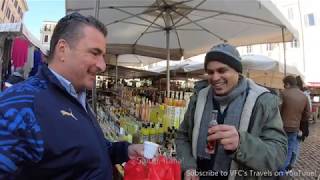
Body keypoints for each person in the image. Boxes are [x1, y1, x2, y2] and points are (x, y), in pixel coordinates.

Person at [0, 13, 144, 179]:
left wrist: (124, 151)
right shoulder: (22, 103)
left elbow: (86, 150)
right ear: (63, 49)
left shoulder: (78, 95)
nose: (102, 65)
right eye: (94, 53)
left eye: (102, 56)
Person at [176, 43, 287, 180]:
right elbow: (182, 137)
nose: (215, 77)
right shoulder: (199, 98)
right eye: (210, 72)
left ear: (237, 70)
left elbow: (278, 154)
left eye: (222, 70)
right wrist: (188, 166)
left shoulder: (262, 102)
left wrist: (241, 144)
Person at [279, 76, 310, 172]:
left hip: (280, 127)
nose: (284, 86)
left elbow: (276, 110)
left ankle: (275, 170)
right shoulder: (304, 97)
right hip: (294, 128)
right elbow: (307, 114)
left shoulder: (283, 93)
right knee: (289, 150)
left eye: (285, 84)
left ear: (288, 83)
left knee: (279, 148)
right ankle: (282, 172)